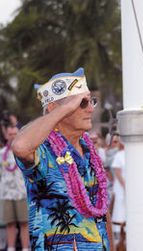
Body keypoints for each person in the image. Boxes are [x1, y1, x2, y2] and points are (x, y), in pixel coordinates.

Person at [11, 68, 113, 250]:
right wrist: (66, 107)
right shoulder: (42, 150)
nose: (90, 108)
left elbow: (102, 210)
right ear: (53, 109)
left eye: (91, 101)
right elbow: (20, 146)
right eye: (81, 103)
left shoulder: (89, 150)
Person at [0, 124, 29, 251]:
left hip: (21, 192)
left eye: (15, 134)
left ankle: (25, 248)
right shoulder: (1, 154)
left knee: (24, 223)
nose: (12, 136)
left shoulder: (25, 151)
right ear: (6, 135)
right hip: (6, 193)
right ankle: (11, 248)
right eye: (10, 134)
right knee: (10, 223)